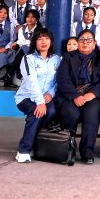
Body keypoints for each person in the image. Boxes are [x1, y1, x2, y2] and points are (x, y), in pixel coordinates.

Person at [55, 29, 100, 164]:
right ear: (78, 42)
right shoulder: (68, 57)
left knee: (91, 115)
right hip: (70, 95)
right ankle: (68, 148)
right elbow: (62, 80)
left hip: (91, 95)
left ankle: (87, 152)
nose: (85, 43)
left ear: (94, 43)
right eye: (82, 40)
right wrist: (75, 96)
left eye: (89, 40)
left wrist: (93, 94)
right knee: (72, 114)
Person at [14, 29, 60, 163]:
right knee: (36, 112)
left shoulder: (57, 59)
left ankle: (34, 141)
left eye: (46, 38)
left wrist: (50, 93)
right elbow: (31, 81)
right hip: (26, 97)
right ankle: (23, 150)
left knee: (51, 111)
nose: (43, 42)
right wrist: (40, 102)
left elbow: (58, 81)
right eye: (39, 39)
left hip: (46, 97)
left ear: (51, 41)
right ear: (34, 42)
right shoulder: (28, 59)